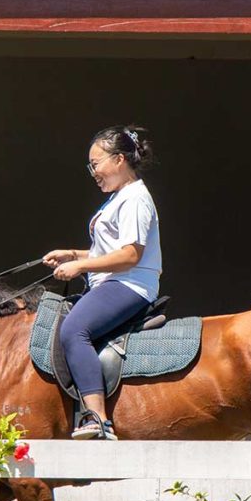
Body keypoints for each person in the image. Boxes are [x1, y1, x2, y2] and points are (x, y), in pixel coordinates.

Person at [42, 124, 162, 441]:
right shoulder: (120, 197)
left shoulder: (135, 198)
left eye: (96, 163)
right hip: (112, 281)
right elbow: (107, 251)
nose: (93, 171)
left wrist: (82, 265)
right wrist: (73, 254)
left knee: (73, 330)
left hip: (129, 284)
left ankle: (98, 419)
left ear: (119, 159)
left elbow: (130, 255)